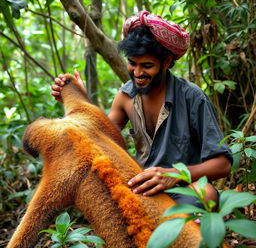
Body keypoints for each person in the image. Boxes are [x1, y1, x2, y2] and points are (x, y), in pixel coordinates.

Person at [51, 11, 232, 209]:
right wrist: (79, 100)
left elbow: (222, 164)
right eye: (132, 63)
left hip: (185, 187)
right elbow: (98, 139)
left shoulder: (192, 98)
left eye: (147, 66)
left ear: (167, 62)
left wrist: (173, 175)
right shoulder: (125, 97)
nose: (137, 73)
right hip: (141, 189)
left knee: (206, 193)